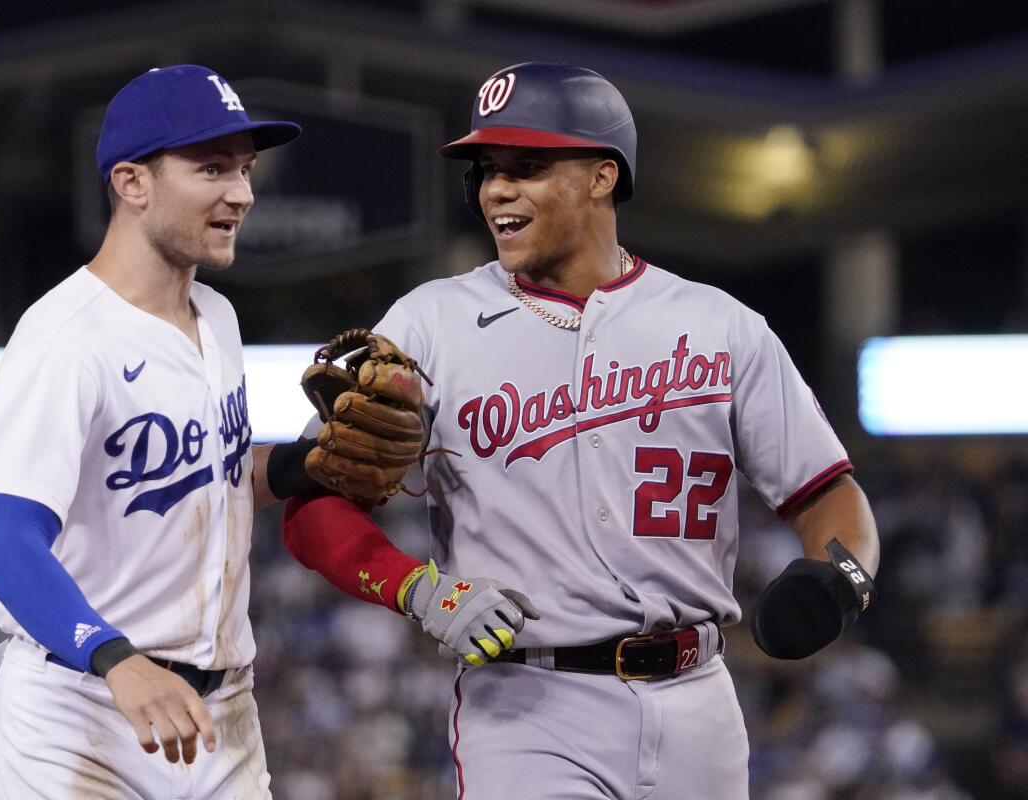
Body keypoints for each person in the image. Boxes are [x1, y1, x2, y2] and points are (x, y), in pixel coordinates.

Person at [283, 62, 880, 799]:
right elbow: (313, 509)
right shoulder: (430, 323)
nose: (497, 189)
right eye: (487, 171)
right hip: (529, 708)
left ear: (603, 176)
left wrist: (843, 580)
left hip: (700, 704)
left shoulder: (720, 326)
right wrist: (420, 590)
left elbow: (827, 494)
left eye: (527, 167)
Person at [0, 64, 320, 799]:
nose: (241, 192)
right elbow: (9, 542)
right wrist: (112, 658)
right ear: (132, 182)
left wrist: (306, 466)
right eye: (211, 167)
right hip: (79, 709)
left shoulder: (218, 318)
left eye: (243, 169)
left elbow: (212, 482)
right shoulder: (66, 339)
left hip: (219, 713)